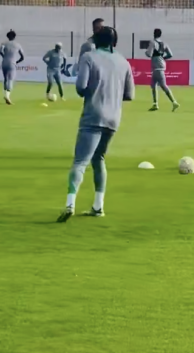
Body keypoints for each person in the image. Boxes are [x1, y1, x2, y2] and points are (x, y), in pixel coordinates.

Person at [57, 26, 135, 223]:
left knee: (80, 161)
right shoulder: (123, 62)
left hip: (93, 114)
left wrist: (95, 90)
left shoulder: (89, 57)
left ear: (95, 40)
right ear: (114, 42)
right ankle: (98, 206)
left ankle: (70, 204)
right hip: (113, 117)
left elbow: (81, 87)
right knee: (99, 158)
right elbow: (130, 95)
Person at [146, 28, 179, 112]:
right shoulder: (164, 43)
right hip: (161, 65)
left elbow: (149, 54)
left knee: (163, 86)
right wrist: (163, 58)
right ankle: (155, 104)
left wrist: (146, 52)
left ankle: (174, 102)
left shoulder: (153, 42)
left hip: (156, 66)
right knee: (153, 85)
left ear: (154, 34)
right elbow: (170, 54)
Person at [0, 30, 24, 105]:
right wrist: (17, 62)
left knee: (5, 79)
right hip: (12, 63)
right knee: (10, 79)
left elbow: (0, 51)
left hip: (4, 62)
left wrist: (4, 56)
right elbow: (22, 57)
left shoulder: (4, 43)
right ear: (14, 37)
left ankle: (5, 94)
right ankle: (7, 96)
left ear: (7, 37)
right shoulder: (17, 45)